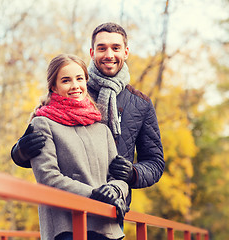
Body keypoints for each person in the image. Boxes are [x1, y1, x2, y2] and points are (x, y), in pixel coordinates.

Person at [11, 22, 165, 222]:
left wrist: (133, 173)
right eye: (102, 48)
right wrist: (19, 151)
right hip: (68, 210)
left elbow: (155, 162)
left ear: (126, 52)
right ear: (92, 52)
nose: (109, 54)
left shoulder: (140, 104)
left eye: (115, 48)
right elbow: (41, 154)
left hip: (113, 207)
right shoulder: (74, 88)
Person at [29, 53, 128, 240]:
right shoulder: (43, 124)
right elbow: (48, 177)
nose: (75, 86)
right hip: (68, 228)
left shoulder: (102, 128)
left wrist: (114, 190)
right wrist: (96, 195)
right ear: (53, 86)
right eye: (66, 80)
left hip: (108, 228)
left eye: (79, 78)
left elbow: (118, 176)